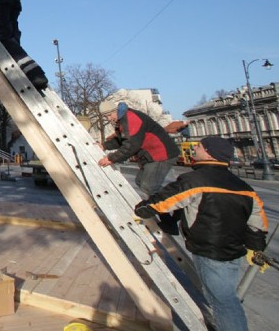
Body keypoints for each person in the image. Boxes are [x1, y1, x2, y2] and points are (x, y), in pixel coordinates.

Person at [134, 136, 268, 331]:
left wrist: (143, 209)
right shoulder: (244, 187)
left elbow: (166, 199)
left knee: (224, 302)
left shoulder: (196, 180)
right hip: (235, 250)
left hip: (210, 249)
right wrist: (256, 247)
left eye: (198, 146)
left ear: (209, 153)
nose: (194, 149)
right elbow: (257, 220)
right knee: (225, 295)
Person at [97, 101, 178, 196]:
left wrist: (111, 158)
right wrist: (104, 146)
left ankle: (171, 204)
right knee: (140, 181)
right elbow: (121, 140)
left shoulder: (131, 119)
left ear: (115, 110)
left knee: (148, 186)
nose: (109, 118)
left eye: (109, 115)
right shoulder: (122, 120)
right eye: (106, 117)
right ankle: (169, 201)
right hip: (153, 155)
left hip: (162, 154)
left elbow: (131, 145)